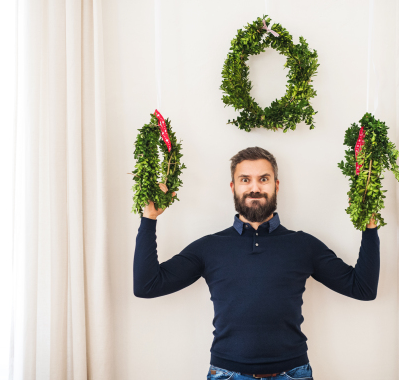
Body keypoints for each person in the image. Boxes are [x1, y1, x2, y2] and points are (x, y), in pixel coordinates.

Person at [133, 146, 380, 379]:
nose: (255, 188)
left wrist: (370, 228)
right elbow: (147, 286)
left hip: (293, 372)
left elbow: (363, 289)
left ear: (276, 185)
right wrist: (149, 219)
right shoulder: (209, 247)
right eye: (245, 179)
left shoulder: (303, 245)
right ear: (233, 186)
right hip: (228, 373)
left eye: (263, 179)